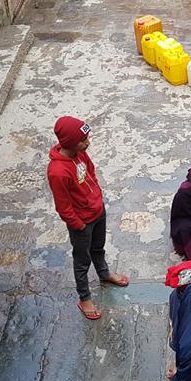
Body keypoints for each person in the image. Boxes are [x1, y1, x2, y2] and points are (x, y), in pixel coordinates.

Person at [46, 116, 128, 320]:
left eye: (87, 138)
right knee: (82, 260)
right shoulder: (57, 172)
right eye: (83, 140)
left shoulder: (80, 153)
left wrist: (97, 196)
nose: (88, 142)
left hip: (97, 211)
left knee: (98, 248)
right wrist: (79, 225)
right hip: (82, 223)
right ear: (70, 142)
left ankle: (104, 273)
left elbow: (90, 170)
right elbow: (63, 206)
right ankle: (84, 297)